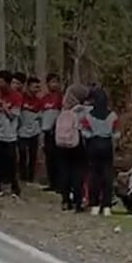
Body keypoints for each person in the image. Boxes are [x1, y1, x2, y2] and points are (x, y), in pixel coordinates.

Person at [80, 87, 119, 216]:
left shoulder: (88, 116)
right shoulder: (113, 116)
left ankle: (94, 205)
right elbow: (116, 134)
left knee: (94, 176)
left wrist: (92, 136)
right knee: (108, 176)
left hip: (93, 145)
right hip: (107, 145)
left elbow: (84, 132)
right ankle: (107, 205)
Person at [55, 83, 90, 212]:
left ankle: (65, 200)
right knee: (78, 172)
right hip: (77, 143)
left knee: (64, 170)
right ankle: (78, 200)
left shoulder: (64, 109)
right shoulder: (84, 110)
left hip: (62, 143)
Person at [0, 70, 22, 197]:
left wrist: (2, 104)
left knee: (11, 162)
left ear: (7, 83)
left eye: (1, 81)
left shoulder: (16, 96)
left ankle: (15, 188)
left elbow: (13, 115)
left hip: (10, 134)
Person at [40, 73, 64, 192]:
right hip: (46, 132)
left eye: (56, 82)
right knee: (49, 158)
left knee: (58, 158)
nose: (54, 84)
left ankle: (60, 184)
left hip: (57, 132)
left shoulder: (61, 97)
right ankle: (52, 183)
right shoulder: (44, 98)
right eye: (51, 82)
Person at [18, 75, 43, 183]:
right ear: (28, 87)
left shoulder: (39, 101)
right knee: (22, 153)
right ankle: (22, 176)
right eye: (35, 87)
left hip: (34, 132)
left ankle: (30, 178)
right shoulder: (21, 98)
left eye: (38, 87)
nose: (37, 89)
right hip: (21, 132)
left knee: (33, 156)